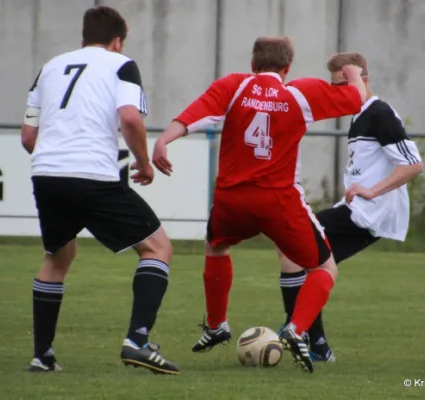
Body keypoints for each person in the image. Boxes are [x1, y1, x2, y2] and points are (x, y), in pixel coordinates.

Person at [152, 37, 366, 373]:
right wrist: (354, 75)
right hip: (278, 200)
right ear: (287, 67)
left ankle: (217, 324)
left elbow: (195, 114)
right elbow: (356, 100)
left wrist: (164, 140)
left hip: (232, 199)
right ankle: (297, 329)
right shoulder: (300, 92)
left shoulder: (235, 85)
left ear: (253, 64)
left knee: (216, 247)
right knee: (325, 268)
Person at [20, 6, 179, 375]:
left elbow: (29, 135)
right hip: (92, 173)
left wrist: (54, 159)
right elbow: (129, 117)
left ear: (83, 37)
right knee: (158, 248)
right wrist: (143, 162)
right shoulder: (121, 64)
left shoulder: (50, 66)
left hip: (45, 173)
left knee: (57, 258)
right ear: (117, 40)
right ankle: (137, 342)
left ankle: (42, 356)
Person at [277, 52, 424, 362]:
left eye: (344, 84)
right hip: (358, 210)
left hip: (369, 213)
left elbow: (412, 165)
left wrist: (372, 191)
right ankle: (309, 339)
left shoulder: (379, 113)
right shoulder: (360, 114)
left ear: (363, 80)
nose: (339, 93)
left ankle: (303, 333)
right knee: (305, 259)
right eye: (334, 86)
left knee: (295, 246)